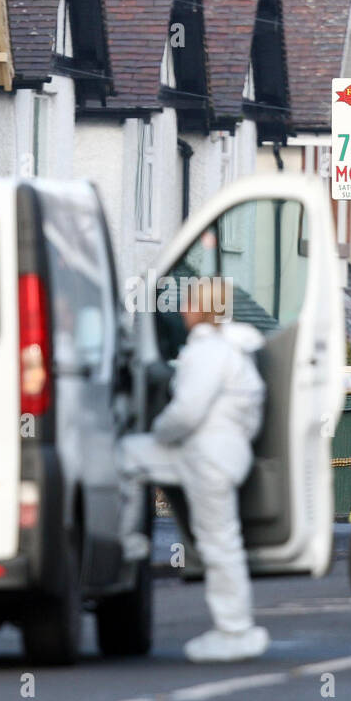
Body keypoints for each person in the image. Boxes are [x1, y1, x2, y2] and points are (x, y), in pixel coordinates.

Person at [117, 277, 270, 662]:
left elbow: (186, 412)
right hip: (215, 453)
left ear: (200, 309)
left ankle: (235, 630)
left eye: (188, 303)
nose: (182, 310)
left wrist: (158, 429)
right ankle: (127, 541)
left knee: (219, 542)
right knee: (127, 457)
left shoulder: (208, 352)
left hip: (205, 455)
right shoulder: (236, 351)